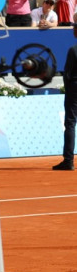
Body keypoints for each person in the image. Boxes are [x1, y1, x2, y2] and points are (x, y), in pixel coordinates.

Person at [57, 31, 77, 170]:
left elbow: (67, 74)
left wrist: (68, 89)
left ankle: (68, 161)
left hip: (74, 88)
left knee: (70, 122)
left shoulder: (73, 50)